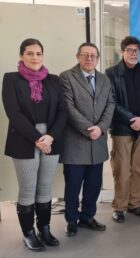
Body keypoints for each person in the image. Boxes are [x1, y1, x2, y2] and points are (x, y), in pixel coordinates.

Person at [2, 38, 66, 251]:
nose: (35, 57)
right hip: (24, 141)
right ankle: (28, 233)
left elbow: (61, 111)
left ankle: (45, 229)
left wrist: (50, 137)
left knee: (45, 188)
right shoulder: (11, 79)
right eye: (30, 53)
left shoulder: (54, 80)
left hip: (50, 141)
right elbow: (14, 113)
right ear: (22, 55)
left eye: (38, 53)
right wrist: (37, 139)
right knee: (28, 189)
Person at [59, 42, 115, 237]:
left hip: (97, 142)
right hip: (75, 142)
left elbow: (110, 105)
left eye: (93, 55)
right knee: (73, 186)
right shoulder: (66, 77)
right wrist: (87, 129)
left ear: (98, 59)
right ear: (78, 57)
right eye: (85, 55)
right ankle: (72, 220)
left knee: (93, 184)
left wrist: (100, 128)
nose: (89, 58)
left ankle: (88, 217)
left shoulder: (104, 80)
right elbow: (68, 107)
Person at [106, 36, 140, 223]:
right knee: (121, 170)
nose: (133, 53)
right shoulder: (111, 73)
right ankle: (119, 207)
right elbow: (112, 102)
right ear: (122, 52)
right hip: (122, 129)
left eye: (136, 50)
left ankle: (134, 204)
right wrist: (131, 119)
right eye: (130, 50)